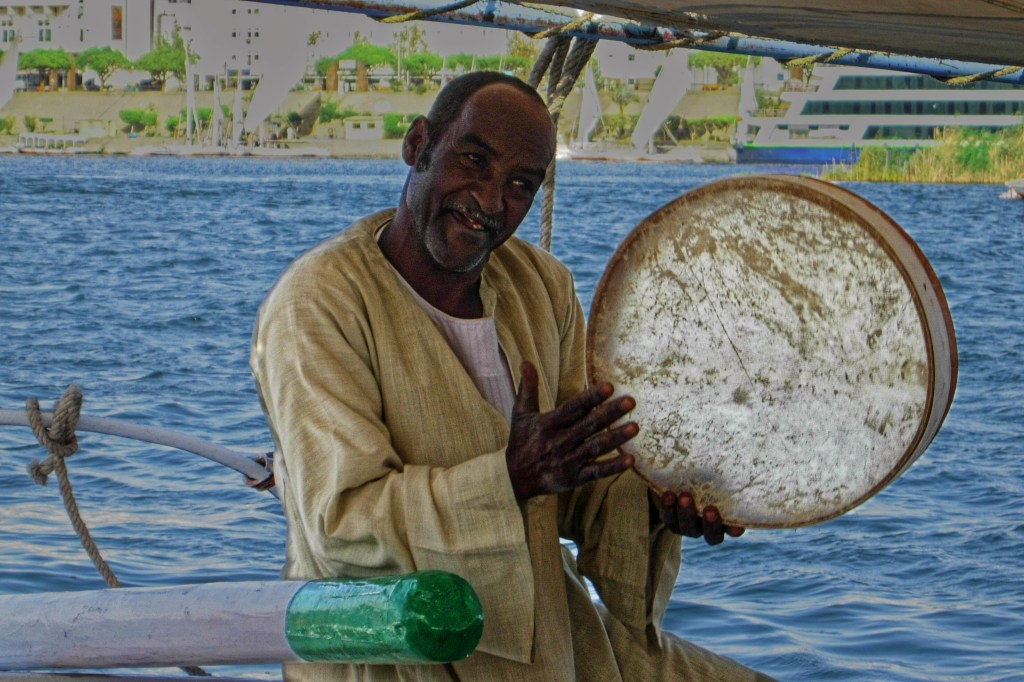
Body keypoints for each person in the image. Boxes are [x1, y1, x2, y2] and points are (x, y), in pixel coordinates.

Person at [251, 71, 772, 681]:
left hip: (550, 628)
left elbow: (580, 476)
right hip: (403, 649)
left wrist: (659, 505)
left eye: (521, 184)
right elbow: (342, 526)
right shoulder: (317, 302)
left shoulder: (543, 286)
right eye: (474, 161)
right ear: (418, 145)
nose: (492, 201)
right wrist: (511, 477)